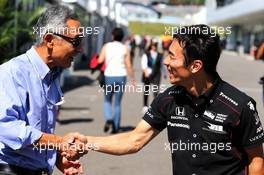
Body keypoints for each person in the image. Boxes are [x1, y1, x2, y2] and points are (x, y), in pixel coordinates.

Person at [86, 25, 264, 175]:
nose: (165, 62)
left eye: (172, 56)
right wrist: (85, 142)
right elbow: (134, 140)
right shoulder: (168, 99)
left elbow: (256, 161)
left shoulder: (240, 106)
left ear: (195, 66)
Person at [0, 5, 88, 175]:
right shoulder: (12, 72)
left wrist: (57, 159)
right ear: (49, 40)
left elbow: (39, 132)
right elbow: (5, 126)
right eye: (76, 42)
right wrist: (57, 141)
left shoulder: (51, 75)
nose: (80, 49)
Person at [98, 27, 135, 134]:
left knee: (107, 100)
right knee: (118, 103)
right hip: (121, 76)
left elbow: (100, 60)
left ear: (113, 36)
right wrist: (132, 78)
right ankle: (116, 127)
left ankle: (109, 118)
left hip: (109, 75)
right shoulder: (125, 48)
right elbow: (128, 64)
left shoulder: (106, 46)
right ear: (122, 37)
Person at [141, 39, 164, 114]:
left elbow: (162, 65)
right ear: (151, 45)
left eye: (156, 45)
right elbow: (143, 64)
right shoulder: (146, 54)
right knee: (146, 90)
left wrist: (165, 73)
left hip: (157, 74)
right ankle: (145, 105)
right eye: (153, 45)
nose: (154, 46)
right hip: (147, 74)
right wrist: (145, 72)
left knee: (155, 91)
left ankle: (155, 107)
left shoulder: (160, 55)